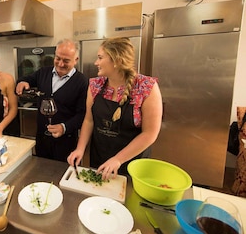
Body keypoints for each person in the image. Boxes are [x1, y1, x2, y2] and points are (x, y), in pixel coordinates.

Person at [67, 37, 162, 180]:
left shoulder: (146, 87)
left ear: (117, 60)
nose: (96, 63)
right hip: (100, 158)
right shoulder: (95, 85)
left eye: (100, 58)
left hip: (132, 163)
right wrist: (80, 149)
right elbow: (89, 120)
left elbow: (150, 133)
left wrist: (118, 159)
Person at [16, 39, 88, 162]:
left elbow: (83, 115)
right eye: (58, 58)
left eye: (66, 60)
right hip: (42, 140)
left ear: (76, 60)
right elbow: (26, 79)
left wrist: (64, 127)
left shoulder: (82, 82)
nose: (60, 64)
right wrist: (22, 82)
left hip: (66, 143)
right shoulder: (43, 72)